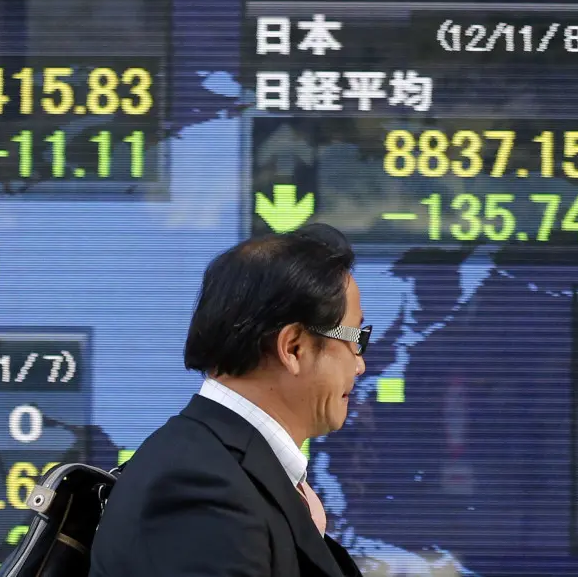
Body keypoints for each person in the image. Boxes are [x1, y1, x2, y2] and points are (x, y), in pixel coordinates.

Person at [89, 223, 369, 577]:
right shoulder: (199, 485)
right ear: (293, 347)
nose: (359, 364)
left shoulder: (224, 468)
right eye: (356, 338)